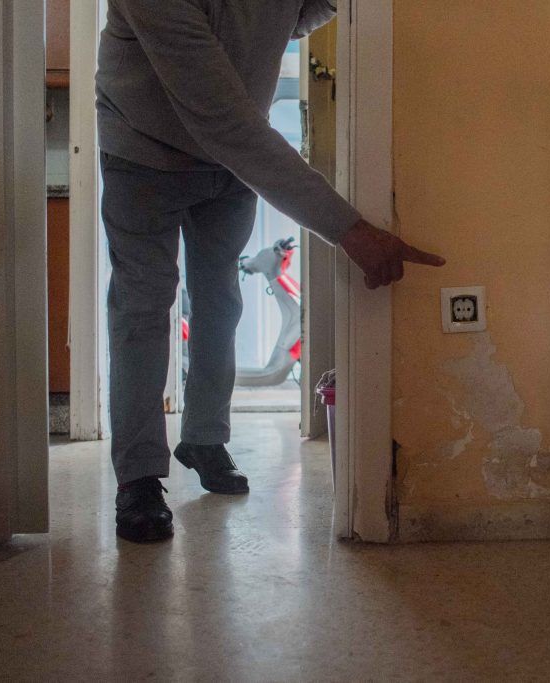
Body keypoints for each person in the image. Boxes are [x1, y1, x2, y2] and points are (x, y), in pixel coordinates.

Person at [96, 0, 444, 543]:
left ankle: (205, 438)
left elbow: (299, 13)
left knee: (222, 301)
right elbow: (224, 121)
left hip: (229, 168)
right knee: (143, 305)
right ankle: (139, 477)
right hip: (143, 153)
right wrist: (349, 230)